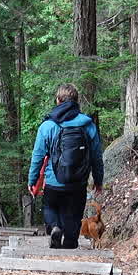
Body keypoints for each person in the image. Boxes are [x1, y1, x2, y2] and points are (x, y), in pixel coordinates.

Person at [28, 83, 104, 249]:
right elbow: (97, 157)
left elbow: (38, 156)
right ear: (77, 101)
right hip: (78, 183)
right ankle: (69, 245)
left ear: (58, 100)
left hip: (54, 182)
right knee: (73, 217)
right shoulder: (88, 125)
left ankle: (55, 227)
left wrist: (33, 180)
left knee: (50, 207)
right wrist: (98, 180)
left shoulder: (47, 126)